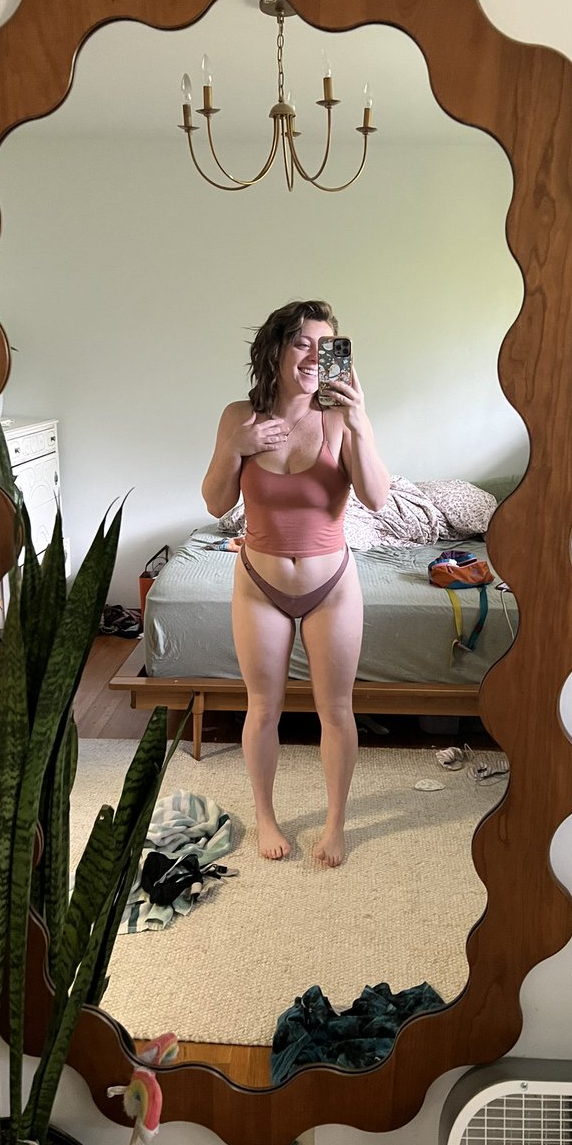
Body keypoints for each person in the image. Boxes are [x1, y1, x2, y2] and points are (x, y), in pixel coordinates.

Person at [202, 300, 389, 867]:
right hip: (259, 584)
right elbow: (215, 504)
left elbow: (377, 499)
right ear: (276, 349)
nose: (313, 356)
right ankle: (266, 816)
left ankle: (335, 824)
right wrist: (235, 449)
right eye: (302, 343)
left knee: (337, 709)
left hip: (332, 585)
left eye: (326, 346)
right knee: (263, 708)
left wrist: (359, 423)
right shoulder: (240, 416)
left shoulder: (340, 418)